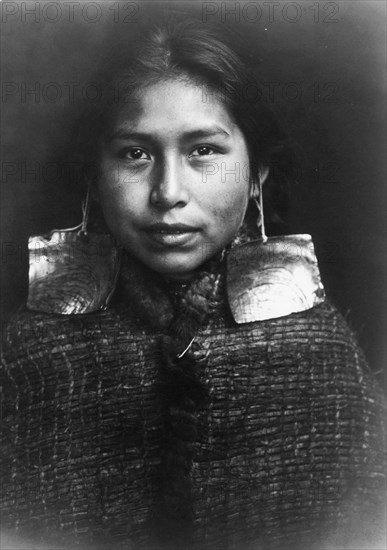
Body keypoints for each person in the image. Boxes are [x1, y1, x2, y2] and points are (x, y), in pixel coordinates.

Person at [1, 18, 385, 550]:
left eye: (204, 149)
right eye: (135, 153)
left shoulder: (319, 356)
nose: (168, 192)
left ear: (257, 176)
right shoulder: (34, 355)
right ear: (94, 176)